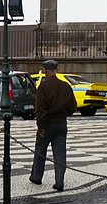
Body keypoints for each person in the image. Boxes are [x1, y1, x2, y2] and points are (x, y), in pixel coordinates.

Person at [30, 60, 74, 192]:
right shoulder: (66, 86)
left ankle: (36, 176)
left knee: (40, 150)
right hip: (61, 123)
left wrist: (41, 127)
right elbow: (73, 107)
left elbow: (40, 109)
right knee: (60, 154)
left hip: (48, 124)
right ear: (57, 70)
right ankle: (59, 181)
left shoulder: (43, 87)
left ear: (45, 71)